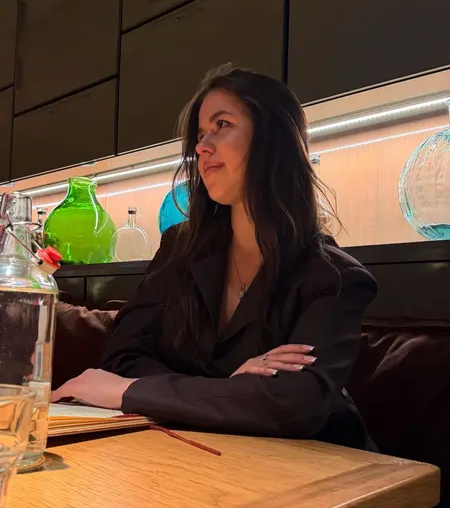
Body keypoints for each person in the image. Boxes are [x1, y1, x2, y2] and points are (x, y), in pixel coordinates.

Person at [52, 65, 376, 454]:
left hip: (328, 472)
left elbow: (293, 406)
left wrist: (132, 392)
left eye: (222, 125)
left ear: (274, 139)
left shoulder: (335, 278)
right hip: (202, 458)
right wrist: (229, 391)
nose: (202, 147)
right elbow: (121, 359)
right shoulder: (179, 249)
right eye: (201, 134)